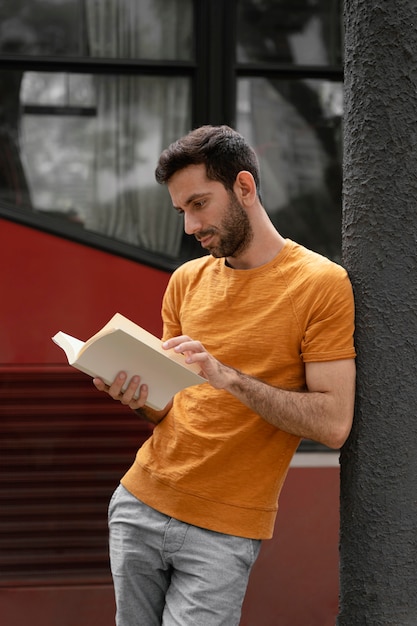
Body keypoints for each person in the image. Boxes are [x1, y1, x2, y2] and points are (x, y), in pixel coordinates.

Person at [93, 125, 356, 626]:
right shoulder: (185, 281)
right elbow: (170, 406)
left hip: (223, 527)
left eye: (199, 204)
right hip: (138, 501)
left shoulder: (321, 284)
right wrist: (135, 394)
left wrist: (228, 377)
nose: (190, 227)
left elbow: (334, 422)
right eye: (181, 212)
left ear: (244, 187)